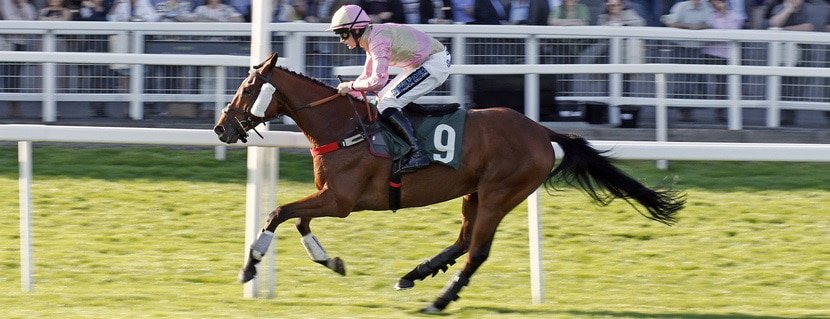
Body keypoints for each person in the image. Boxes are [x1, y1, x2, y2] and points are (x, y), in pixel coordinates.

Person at [328, 4, 450, 173]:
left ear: (356, 30)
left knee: (387, 104)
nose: (341, 39)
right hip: (421, 64)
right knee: (381, 101)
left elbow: (377, 81)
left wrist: (350, 86)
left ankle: (418, 153)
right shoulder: (370, 37)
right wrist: (343, 94)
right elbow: (366, 77)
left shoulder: (378, 40)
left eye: (342, 33)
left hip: (434, 63)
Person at [1, 0, 37, 118]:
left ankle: (15, 106)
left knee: (16, 75)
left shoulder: (26, 4)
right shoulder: (5, 2)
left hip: (22, 43)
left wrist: (22, 4)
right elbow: (10, 20)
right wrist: (24, 23)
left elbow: (31, 19)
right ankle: (13, 107)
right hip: (8, 42)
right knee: (10, 75)